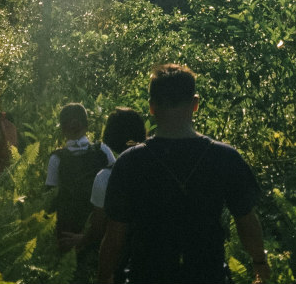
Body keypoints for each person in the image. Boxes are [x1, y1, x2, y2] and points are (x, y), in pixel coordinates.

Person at [98, 64, 270, 284]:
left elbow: (114, 235)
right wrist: (259, 263)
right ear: (195, 104)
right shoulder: (224, 157)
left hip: (148, 275)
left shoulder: (130, 162)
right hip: (208, 275)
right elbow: (247, 220)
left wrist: (104, 277)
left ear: (151, 107)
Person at [60, 107, 147, 278]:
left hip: (120, 261)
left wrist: (82, 240)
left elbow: (98, 229)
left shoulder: (105, 177)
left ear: (109, 136)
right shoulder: (155, 170)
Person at [47, 103, 116, 282]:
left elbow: (50, 198)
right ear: (87, 126)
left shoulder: (56, 158)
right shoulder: (102, 150)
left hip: (66, 230)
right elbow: (116, 186)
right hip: (99, 228)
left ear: (62, 129)